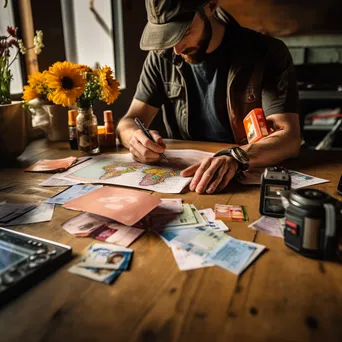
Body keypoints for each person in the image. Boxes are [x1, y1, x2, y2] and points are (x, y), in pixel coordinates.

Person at [117, 0, 301, 194]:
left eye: (184, 32)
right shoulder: (161, 57)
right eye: (168, 35)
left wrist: (236, 157)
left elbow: (289, 137)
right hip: (186, 183)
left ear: (211, 6)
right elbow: (128, 121)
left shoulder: (268, 53)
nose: (177, 50)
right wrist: (135, 140)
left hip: (244, 179)